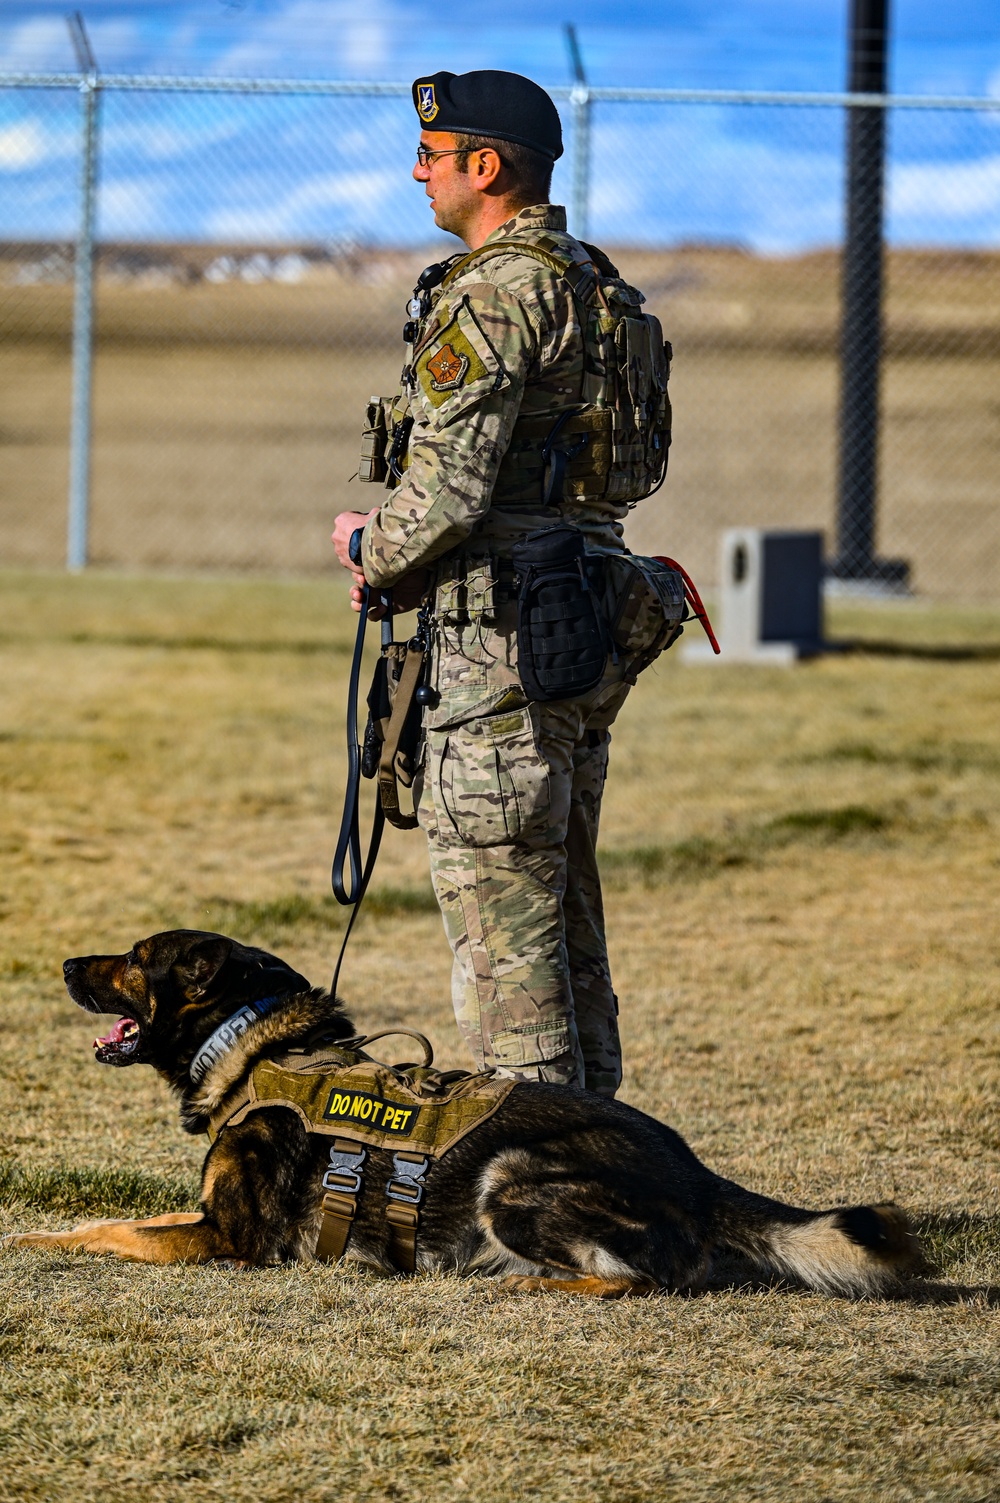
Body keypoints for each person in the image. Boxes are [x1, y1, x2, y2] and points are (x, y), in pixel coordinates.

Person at [332, 70, 671, 1098]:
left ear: (486, 167)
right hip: (576, 623)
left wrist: (367, 547)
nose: (416, 172)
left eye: (431, 157)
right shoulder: (594, 285)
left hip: (498, 641)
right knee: (558, 912)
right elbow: (629, 469)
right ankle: (606, 1172)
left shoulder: (492, 291)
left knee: (501, 932)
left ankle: (542, 1191)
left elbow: (445, 493)